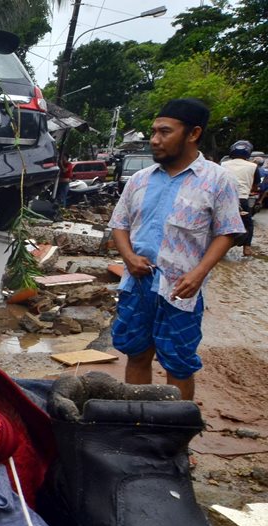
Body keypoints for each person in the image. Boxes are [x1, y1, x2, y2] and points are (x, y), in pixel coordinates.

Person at [107, 98, 244, 401]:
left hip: (181, 291)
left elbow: (227, 232)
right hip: (138, 286)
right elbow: (119, 224)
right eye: (154, 131)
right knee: (137, 354)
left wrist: (198, 274)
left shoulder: (217, 180)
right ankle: (137, 425)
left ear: (193, 134)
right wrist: (128, 257)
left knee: (178, 365)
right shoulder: (140, 180)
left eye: (164, 132)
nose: (155, 140)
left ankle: (173, 436)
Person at [221, 140, 258, 255]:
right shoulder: (253, 166)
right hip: (242, 199)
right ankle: (246, 248)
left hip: (224, 198)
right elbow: (256, 185)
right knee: (248, 224)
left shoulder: (223, 164)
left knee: (219, 223)